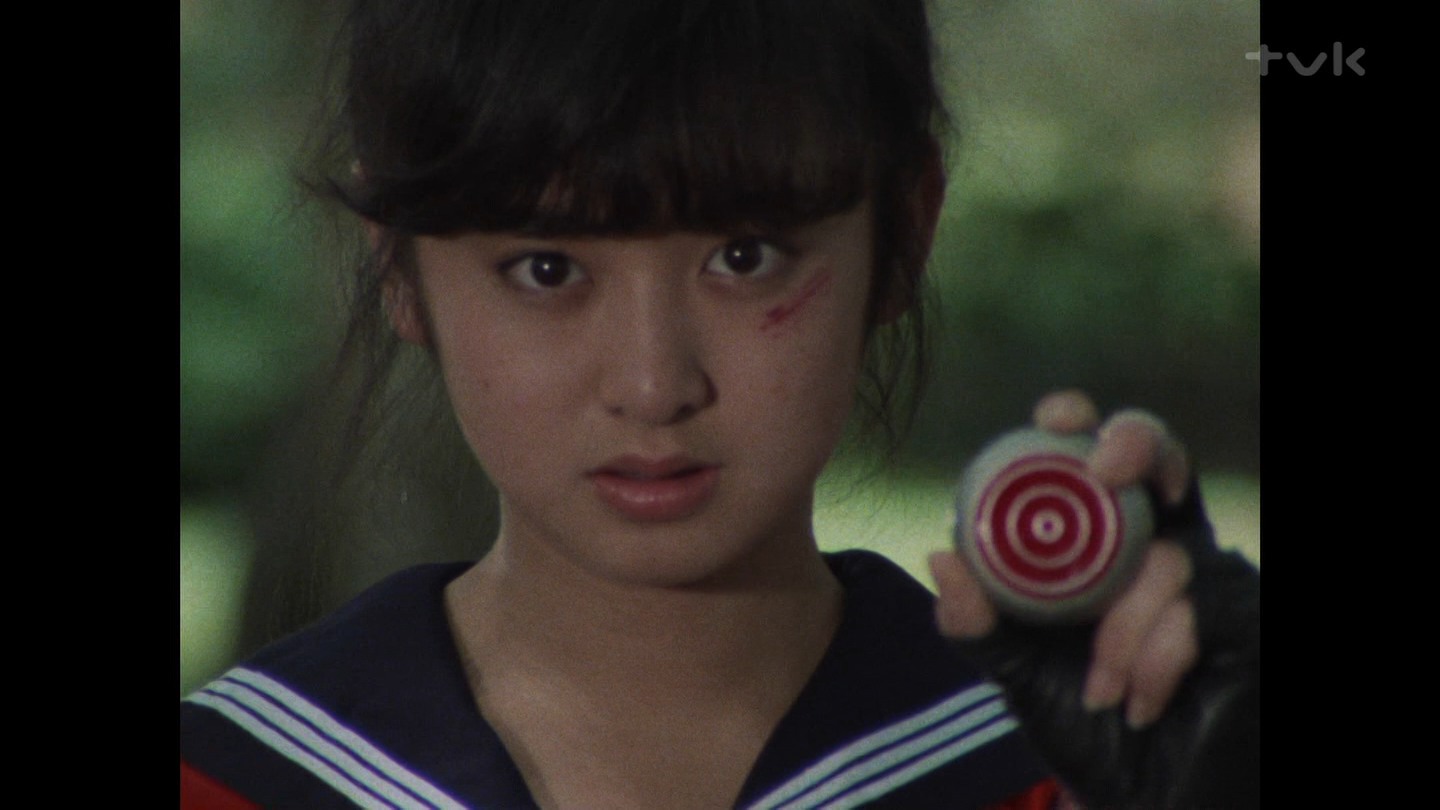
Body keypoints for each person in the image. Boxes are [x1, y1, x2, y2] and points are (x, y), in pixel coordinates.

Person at [180, 0, 1260, 807]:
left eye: (746, 257)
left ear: (904, 234)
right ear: (398, 268)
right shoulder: (236, 778)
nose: (654, 385)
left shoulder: (1054, 766)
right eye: (547, 269)